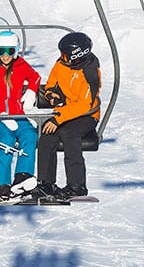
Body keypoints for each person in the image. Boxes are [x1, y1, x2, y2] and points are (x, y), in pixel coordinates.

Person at [33, 32, 100, 200]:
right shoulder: (61, 64)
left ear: (76, 56)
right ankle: (46, 183)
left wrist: (58, 118)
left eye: (64, 54)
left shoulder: (90, 72)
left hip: (86, 115)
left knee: (69, 134)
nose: (61, 57)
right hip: (65, 112)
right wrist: (51, 95)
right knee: (47, 135)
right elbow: (52, 83)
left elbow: (84, 104)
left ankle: (77, 185)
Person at [0, 31, 41, 201]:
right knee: (6, 139)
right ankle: (0, 184)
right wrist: (1, 114)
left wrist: (32, 92)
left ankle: (23, 176)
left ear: (16, 51)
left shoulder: (21, 65)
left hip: (16, 114)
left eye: (10, 51)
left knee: (29, 134)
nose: (6, 55)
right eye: (2, 50)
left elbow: (35, 77)